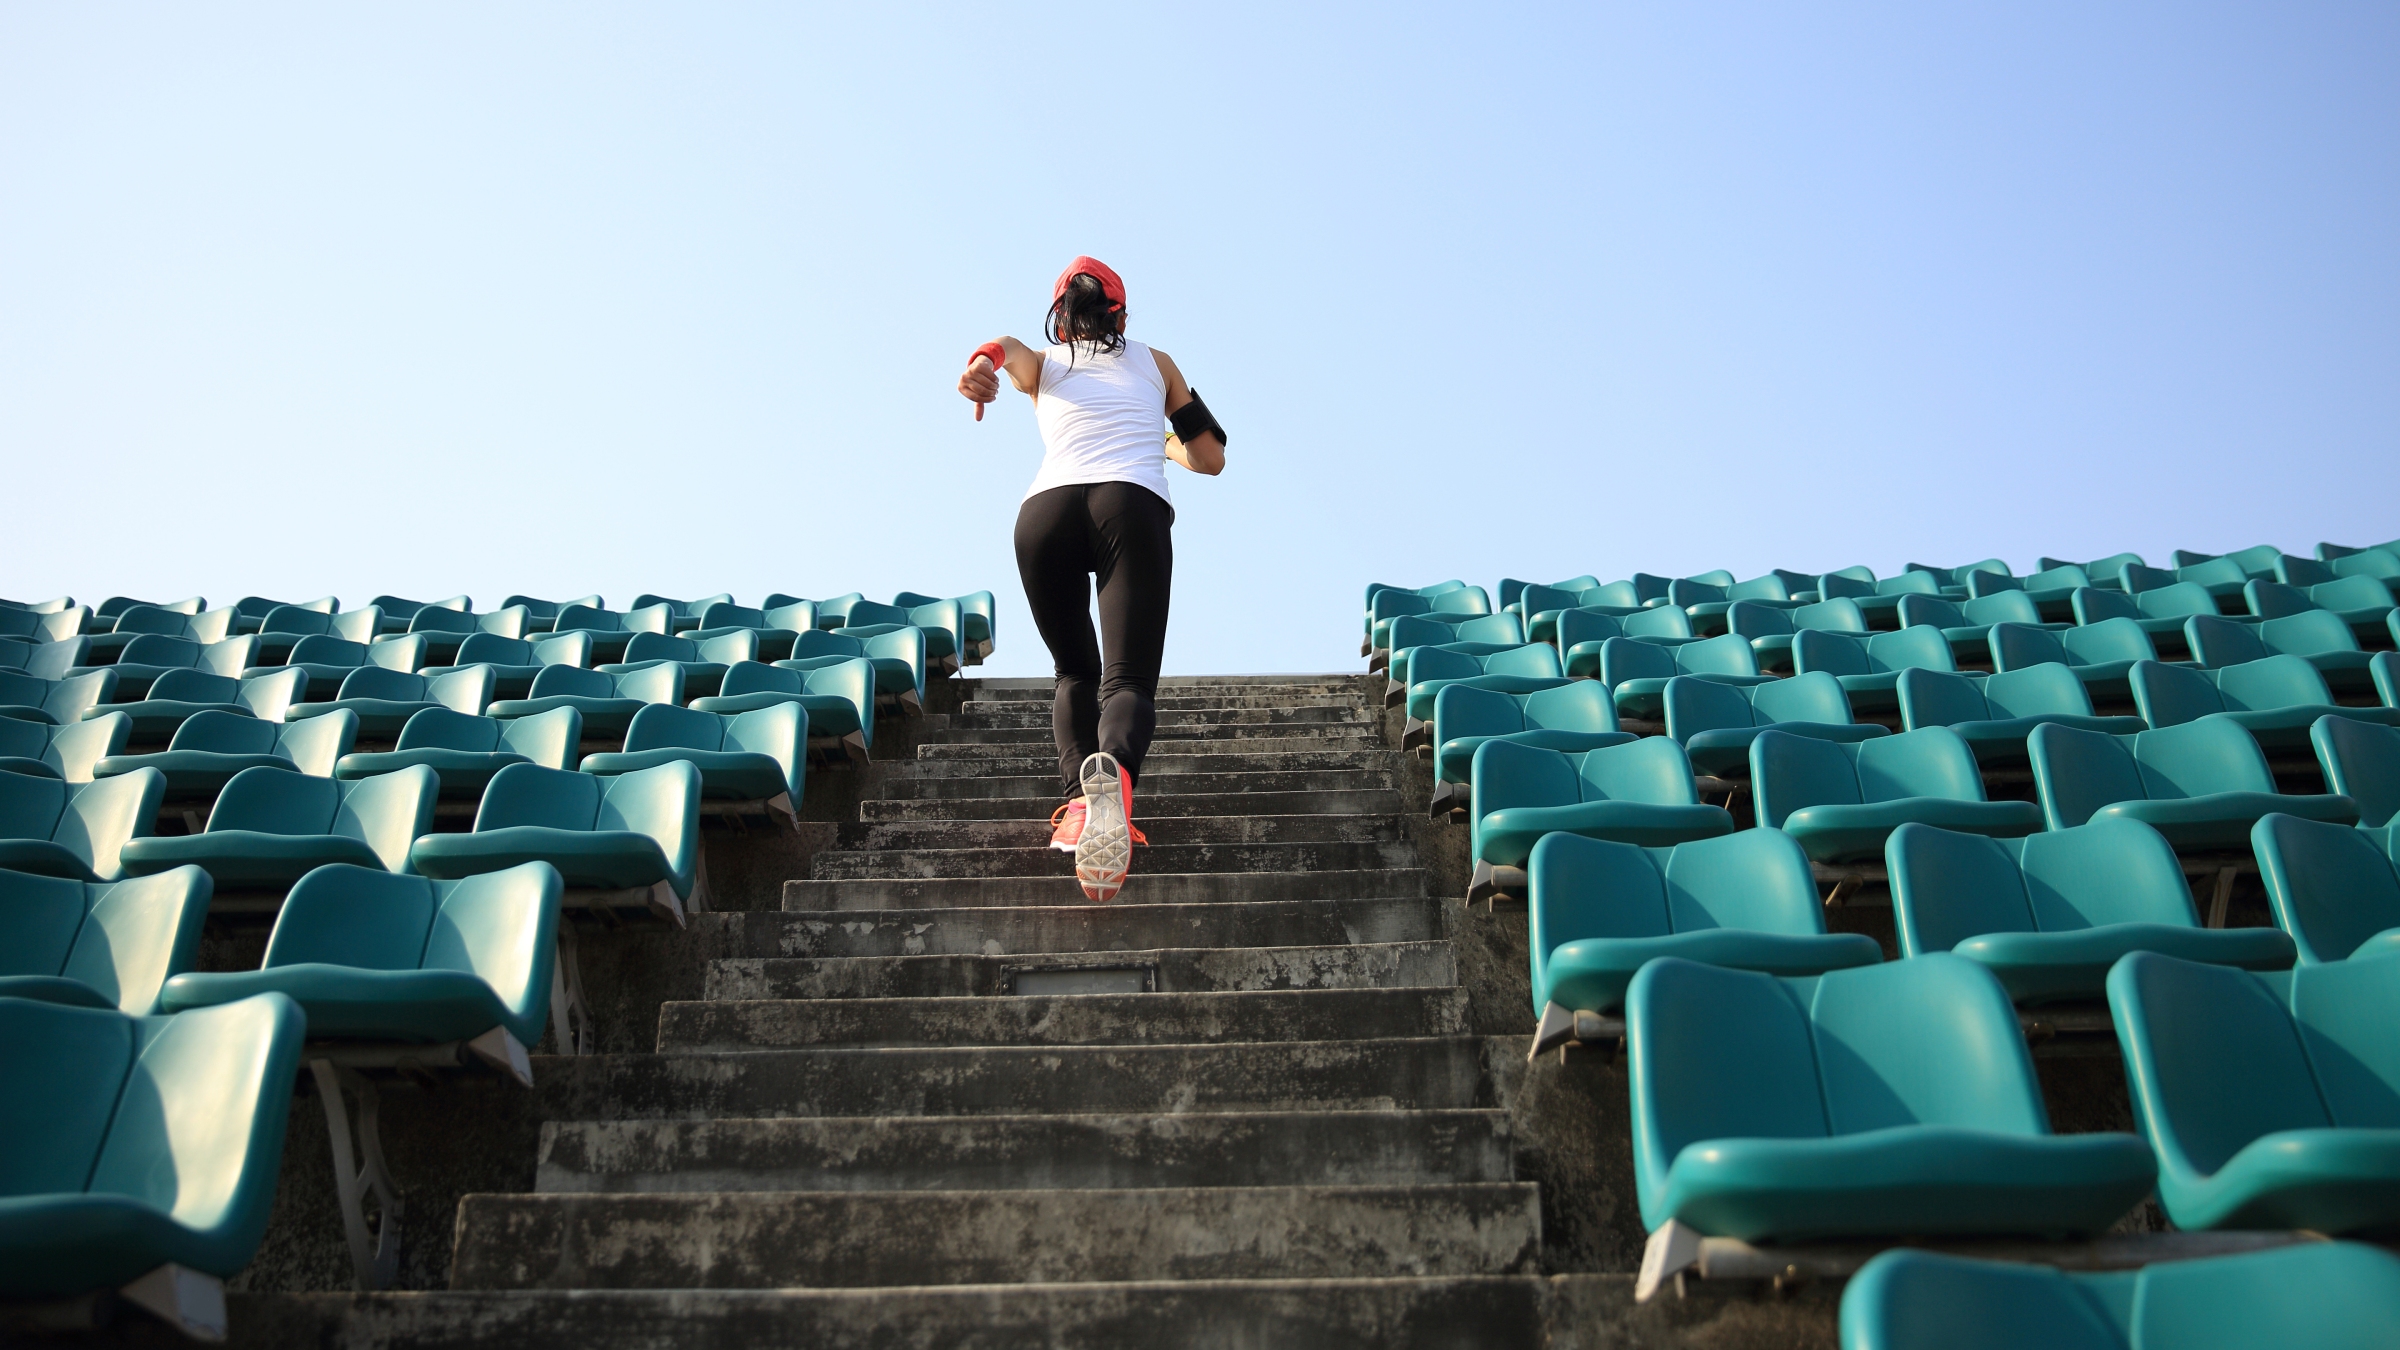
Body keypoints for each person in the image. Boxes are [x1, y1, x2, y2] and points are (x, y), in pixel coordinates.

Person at [958, 256, 1226, 902]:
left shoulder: (1045, 366)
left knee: (1074, 671)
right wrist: (1162, 441)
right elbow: (1211, 455)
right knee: (1126, 679)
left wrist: (981, 368)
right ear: (1121, 315)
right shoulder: (1155, 363)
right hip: (1127, 505)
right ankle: (1117, 781)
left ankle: (1080, 803)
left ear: (1062, 320)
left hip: (1043, 512)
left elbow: (1004, 350)